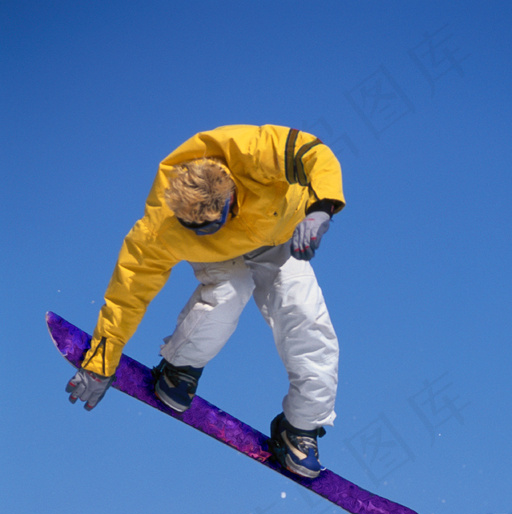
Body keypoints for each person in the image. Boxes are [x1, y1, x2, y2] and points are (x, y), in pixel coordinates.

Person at [66, 124, 345, 478]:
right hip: (219, 258)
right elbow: (128, 293)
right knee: (228, 294)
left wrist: (321, 208)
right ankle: (180, 368)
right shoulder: (162, 226)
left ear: (230, 197)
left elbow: (312, 151)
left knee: (306, 321)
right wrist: (100, 361)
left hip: (277, 233)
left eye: (212, 225)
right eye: (197, 227)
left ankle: (300, 430)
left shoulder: (249, 151)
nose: (207, 231)